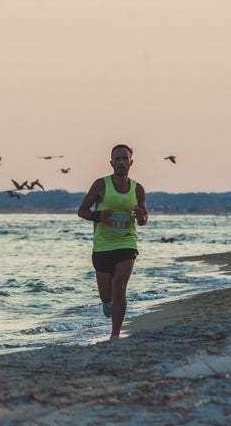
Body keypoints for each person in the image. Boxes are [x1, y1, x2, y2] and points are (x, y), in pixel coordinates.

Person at [78, 144, 149, 341]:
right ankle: (107, 303)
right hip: (102, 245)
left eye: (124, 158)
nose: (121, 162)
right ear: (111, 163)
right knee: (105, 295)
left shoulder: (137, 189)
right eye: (117, 159)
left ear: (131, 162)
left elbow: (143, 219)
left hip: (127, 243)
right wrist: (98, 216)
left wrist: (142, 217)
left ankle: (115, 334)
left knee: (120, 284)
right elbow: (82, 210)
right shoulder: (101, 185)